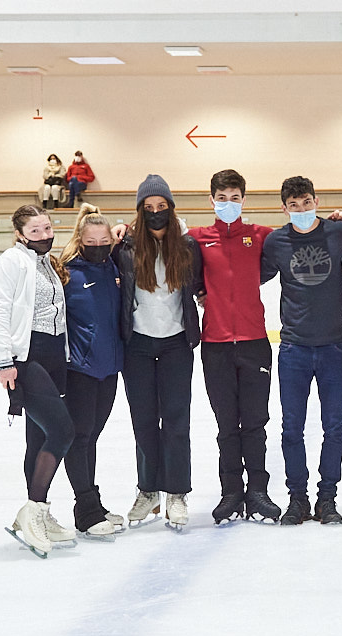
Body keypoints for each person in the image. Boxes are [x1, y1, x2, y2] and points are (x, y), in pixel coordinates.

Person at [261, 176, 342, 527]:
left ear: (316, 201)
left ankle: (327, 498)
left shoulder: (338, 233)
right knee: (291, 428)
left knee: (334, 427)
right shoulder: (276, 242)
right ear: (284, 208)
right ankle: (297, 498)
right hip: (294, 349)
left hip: (334, 346)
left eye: (307, 203)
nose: (301, 210)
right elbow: (248, 274)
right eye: (294, 205)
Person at [189, 169, 280, 525]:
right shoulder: (196, 238)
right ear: (211, 200)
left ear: (244, 199)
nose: (229, 204)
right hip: (215, 345)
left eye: (235, 198)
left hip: (255, 342)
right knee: (227, 425)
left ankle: (258, 491)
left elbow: (300, 239)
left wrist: (332, 221)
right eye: (222, 198)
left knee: (256, 422)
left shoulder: (260, 236)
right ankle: (230, 492)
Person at [115, 174, 202, 531]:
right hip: (136, 344)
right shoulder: (125, 247)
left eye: (161, 206)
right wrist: (119, 228)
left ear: (170, 207)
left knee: (177, 422)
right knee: (144, 422)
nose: (155, 213)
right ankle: (148, 489)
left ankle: (177, 493)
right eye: (148, 208)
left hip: (176, 344)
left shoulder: (187, 246)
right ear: (140, 210)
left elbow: (200, 286)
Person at [0, 205, 76, 557]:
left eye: (48, 228)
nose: (45, 235)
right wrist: (4, 361)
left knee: (38, 436)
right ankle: (34, 512)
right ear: (21, 234)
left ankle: (34, 510)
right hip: (28, 358)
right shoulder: (10, 263)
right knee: (63, 431)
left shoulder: (47, 263)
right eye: (36, 231)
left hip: (56, 354)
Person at [59, 204, 124, 538]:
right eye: (91, 239)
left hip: (110, 369)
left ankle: (93, 504)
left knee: (92, 437)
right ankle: (85, 509)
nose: (99, 244)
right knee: (79, 438)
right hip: (79, 370)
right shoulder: (67, 272)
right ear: (80, 239)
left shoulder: (114, 266)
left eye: (104, 238)